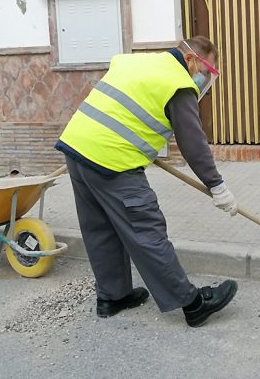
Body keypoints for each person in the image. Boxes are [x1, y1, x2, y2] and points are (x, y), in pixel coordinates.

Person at [55, 36, 238, 327]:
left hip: (76, 150)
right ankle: (193, 304)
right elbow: (193, 144)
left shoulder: (137, 61)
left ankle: (112, 296)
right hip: (113, 161)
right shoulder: (178, 83)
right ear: (190, 60)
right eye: (208, 71)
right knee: (146, 230)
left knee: (99, 228)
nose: (206, 79)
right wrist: (217, 186)